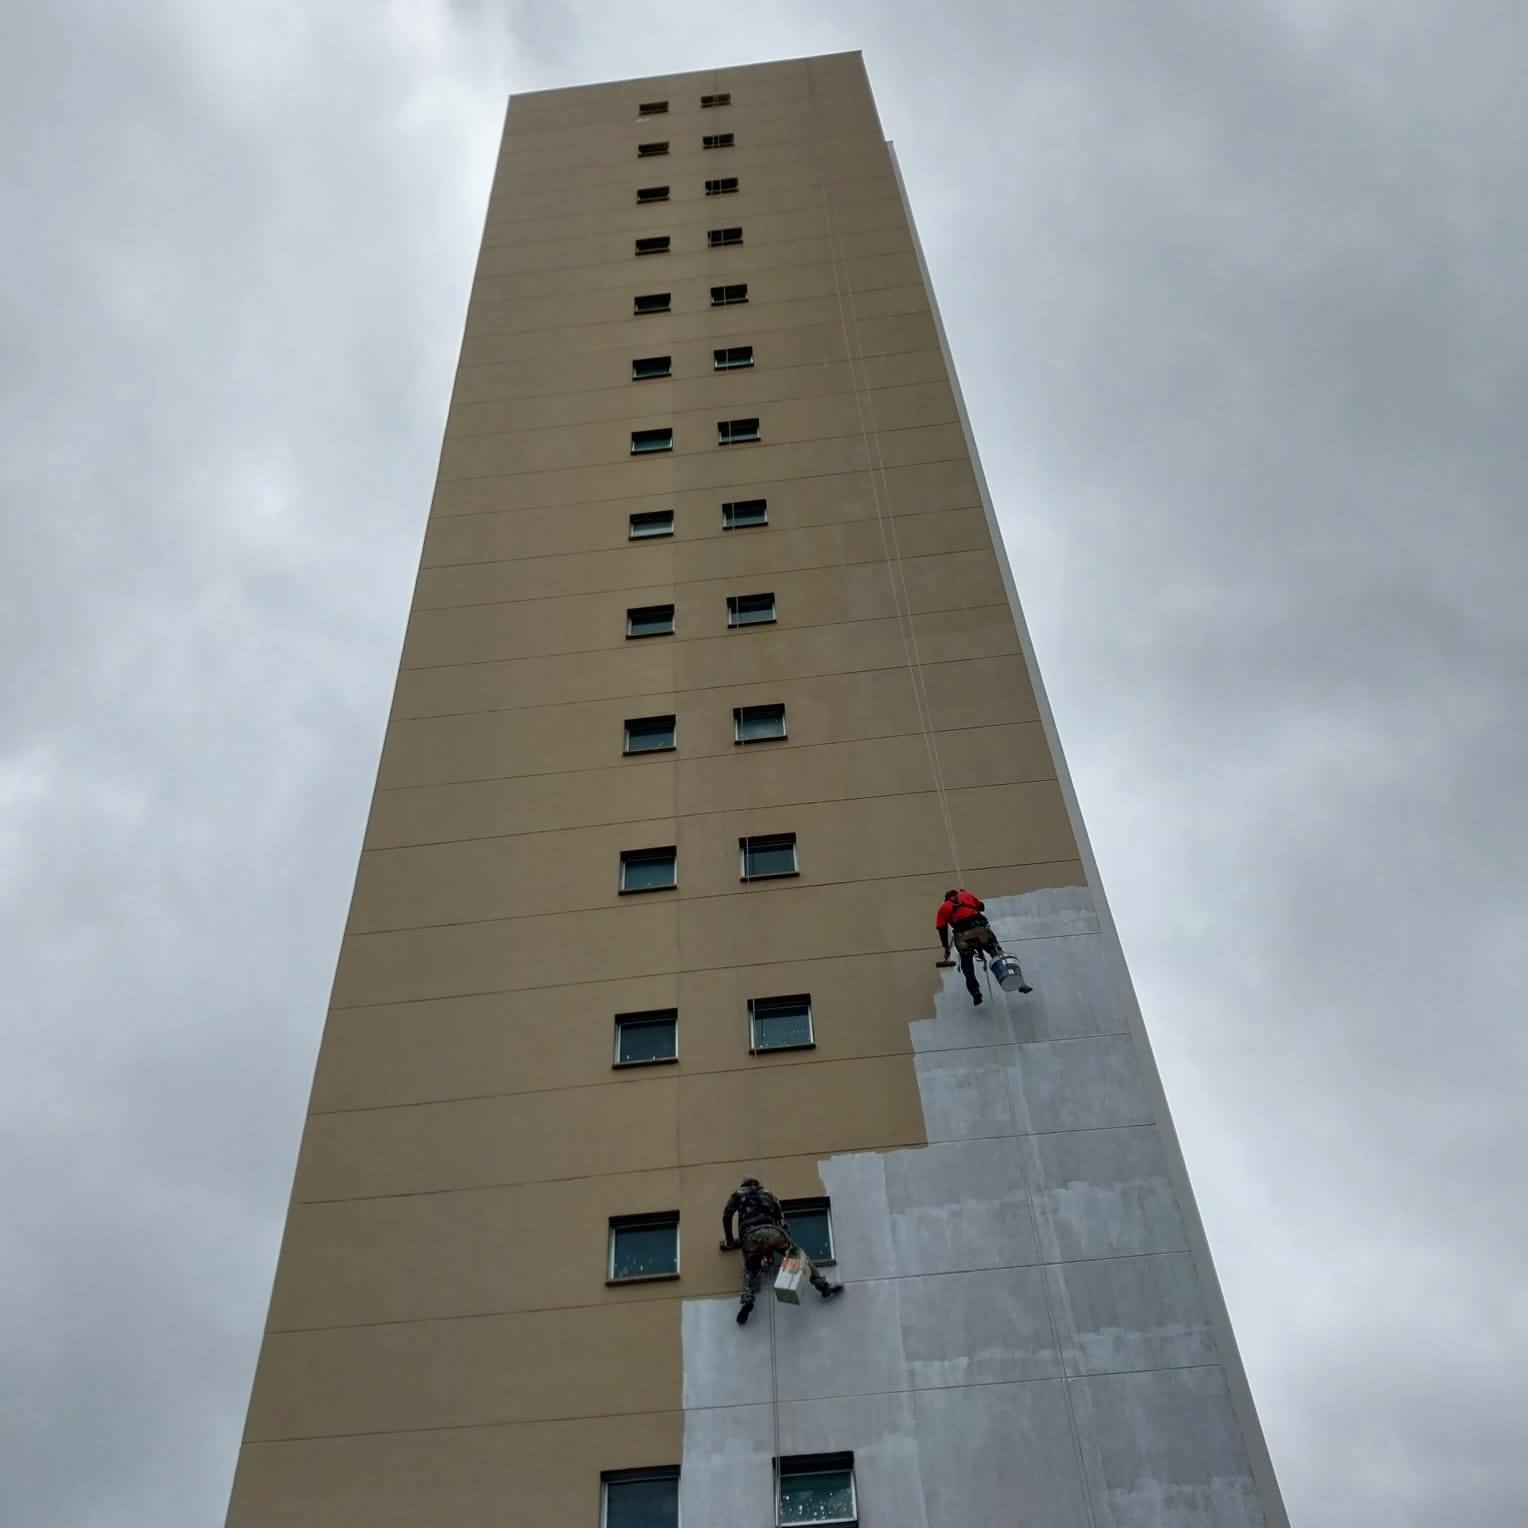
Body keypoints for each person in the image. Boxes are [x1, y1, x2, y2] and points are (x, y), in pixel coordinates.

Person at [721, 1176, 842, 1324]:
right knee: (797, 1254)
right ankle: (823, 1286)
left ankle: (747, 1299)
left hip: (751, 1236)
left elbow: (727, 1216)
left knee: (751, 1270)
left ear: (744, 1184)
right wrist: (785, 1246)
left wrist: (730, 1241)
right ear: (758, 1184)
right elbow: (783, 1223)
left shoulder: (738, 1194)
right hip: (774, 1233)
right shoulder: (770, 1195)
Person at [936, 888, 1031, 1004]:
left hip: (963, 937)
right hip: (981, 931)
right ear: (957, 894)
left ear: (946, 899)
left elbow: (942, 928)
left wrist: (946, 947)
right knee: (997, 954)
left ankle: (975, 992)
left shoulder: (944, 907)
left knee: (967, 966)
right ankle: (1019, 982)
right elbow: (982, 907)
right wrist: (967, 899)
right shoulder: (966, 895)